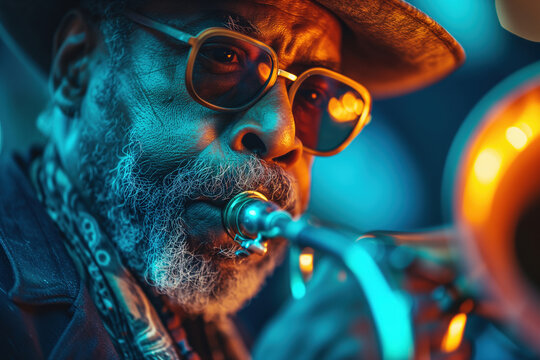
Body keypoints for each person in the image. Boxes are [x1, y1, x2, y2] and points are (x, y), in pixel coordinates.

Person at [0, 0, 464, 358]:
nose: (283, 135)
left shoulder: (226, 329)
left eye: (315, 95)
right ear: (76, 66)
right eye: (224, 57)